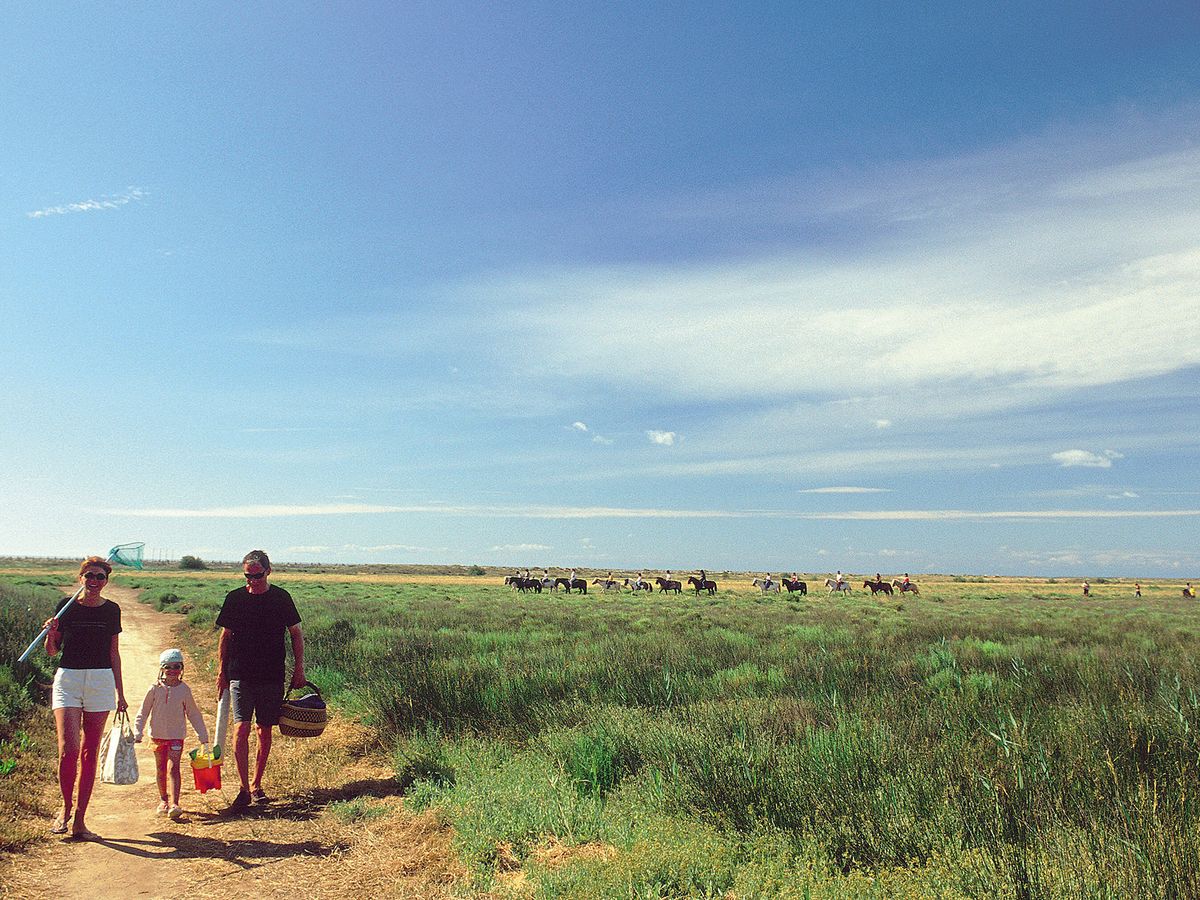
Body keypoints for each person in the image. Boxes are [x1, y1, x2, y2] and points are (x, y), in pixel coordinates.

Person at [43, 556, 128, 839]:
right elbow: (53, 651)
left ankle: (80, 819)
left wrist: (121, 693)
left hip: (101, 681)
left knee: (90, 753)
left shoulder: (112, 610)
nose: (94, 581)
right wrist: (51, 633)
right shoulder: (65, 607)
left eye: (100, 577)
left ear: (106, 581)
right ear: (81, 577)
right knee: (68, 750)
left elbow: (114, 653)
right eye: (89, 575)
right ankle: (65, 810)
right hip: (69, 679)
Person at [216, 550, 305, 812]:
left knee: (264, 730)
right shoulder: (235, 599)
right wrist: (222, 672)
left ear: (268, 571)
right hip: (240, 674)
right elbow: (225, 637)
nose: (253, 580)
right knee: (241, 728)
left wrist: (299, 669)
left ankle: (257, 785)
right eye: (248, 575)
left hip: (271, 675)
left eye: (257, 575)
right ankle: (243, 789)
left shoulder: (281, 598)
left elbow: (296, 634)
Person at [134, 649, 209, 820]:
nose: (172, 670)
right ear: (162, 668)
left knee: (173, 767)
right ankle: (163, 800)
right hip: (157, 736)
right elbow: (143, 712)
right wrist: (138, 731)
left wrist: (202, 734)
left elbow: (194, 714)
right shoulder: (154, 689)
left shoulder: (184, 690)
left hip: (176, 736)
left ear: (182, 668)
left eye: (177, 666)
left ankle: (175, 803)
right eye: (168, 667)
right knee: (160, 769)